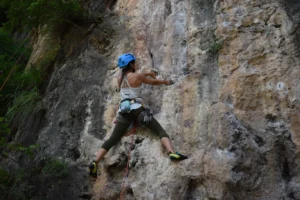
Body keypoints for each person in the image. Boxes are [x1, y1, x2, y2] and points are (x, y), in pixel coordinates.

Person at [89, 53, 187, 178]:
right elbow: (154, 82)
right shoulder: (138, 76)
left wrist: (147, 73)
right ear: (131, 64)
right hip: (138, 110)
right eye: (134, 62)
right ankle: (172, 152)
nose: (135, 64)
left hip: (124, 112)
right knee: (159, 131)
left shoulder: (119, 78)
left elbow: (138, 76)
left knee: (112, 139)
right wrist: (166, 82)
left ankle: (95, 162)